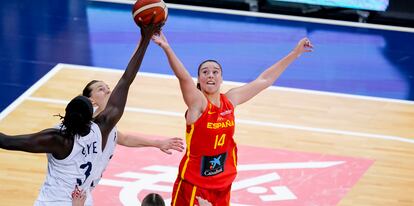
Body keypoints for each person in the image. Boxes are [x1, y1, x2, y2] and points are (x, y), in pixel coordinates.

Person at [0, 18, 162, 205]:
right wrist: (145, 39)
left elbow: (7, 141)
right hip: (83, 200)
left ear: (66, 113)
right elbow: (126, 80)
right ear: (90, 117)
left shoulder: (57, 138)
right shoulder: (101, 129)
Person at [152, 32, 313, 205]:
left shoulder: (230, 100)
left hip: (222, 184)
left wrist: (295, 53)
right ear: (199, 79)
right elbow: (183, 77)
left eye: (215, 72)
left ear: (221, 79)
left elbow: (265, 79)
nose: (211, 75)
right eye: (205, 72)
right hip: (194, 184)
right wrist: (167, 48)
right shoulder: (198, 104)